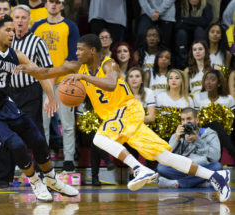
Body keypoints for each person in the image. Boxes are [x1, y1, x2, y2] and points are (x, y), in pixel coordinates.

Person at [14, 33, 231, 202]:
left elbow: (110, 84)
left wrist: (83, 77)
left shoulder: (109, 64)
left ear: (92, 50)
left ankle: (139, 169)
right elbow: (46, 72)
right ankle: (216, 177)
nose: (77, 53)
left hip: (127, 109)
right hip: (115, 117)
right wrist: (28, 69)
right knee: (164, 157)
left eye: (80, 50)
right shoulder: (75, 65)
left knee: (99, 139)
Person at [0, 14, 79, 201]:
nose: (13, 33)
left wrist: (51, 96)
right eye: (8, 30)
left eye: (13, 30)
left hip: (6, 106)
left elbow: (40, 73)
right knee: (16, 144)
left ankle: (52, 179)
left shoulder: (16, 55)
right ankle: (35, 181)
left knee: (39, 139)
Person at [0, 4, 54, 190]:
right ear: (12, 20)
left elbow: (46, 70)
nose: (20, 21)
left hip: (30, 92)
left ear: (29, 20)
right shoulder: (3, 40)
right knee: (4, 135)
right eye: (17, 18)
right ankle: (2, 178)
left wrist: (49, 95)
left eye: (23, 18)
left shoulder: (37, 42)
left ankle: (42, 175)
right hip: (6, 94)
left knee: (35, 134)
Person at [31, 0, 80, 172]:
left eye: (57, 2)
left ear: (62, 6)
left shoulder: (70, 26)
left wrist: (50, 79)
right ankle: (43, 159)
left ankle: (68, 159)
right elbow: (31, 56)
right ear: (45, 5)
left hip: (63, 82)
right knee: (42, 125)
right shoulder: (37, 27)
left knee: (67, 124)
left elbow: (72, 58)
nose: (53, 4)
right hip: (41, 83)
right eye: (51, 1)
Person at [157, 107, 222, 188]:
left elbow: (215, 157)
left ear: (197, 120)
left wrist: (197, 140)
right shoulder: (177, 135)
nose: (185, 122)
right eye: (183, 120)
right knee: (161, 167)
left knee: (217, 166)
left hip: (200, 167)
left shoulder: (210, 134)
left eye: (189, 119)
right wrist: (176, 139)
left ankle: (178, 183)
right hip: (183, 167)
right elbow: (166, 157)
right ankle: (199, 182)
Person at [175, 0, 213, 69]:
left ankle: (200, 60)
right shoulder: (181, 5)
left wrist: (185, 20)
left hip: (199, 34)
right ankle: (184, 62)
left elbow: (205, 22)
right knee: (181, 33)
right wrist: (197, 21)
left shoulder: (206, 6)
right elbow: (178, 24)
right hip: (185, 34)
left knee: (199, 30)